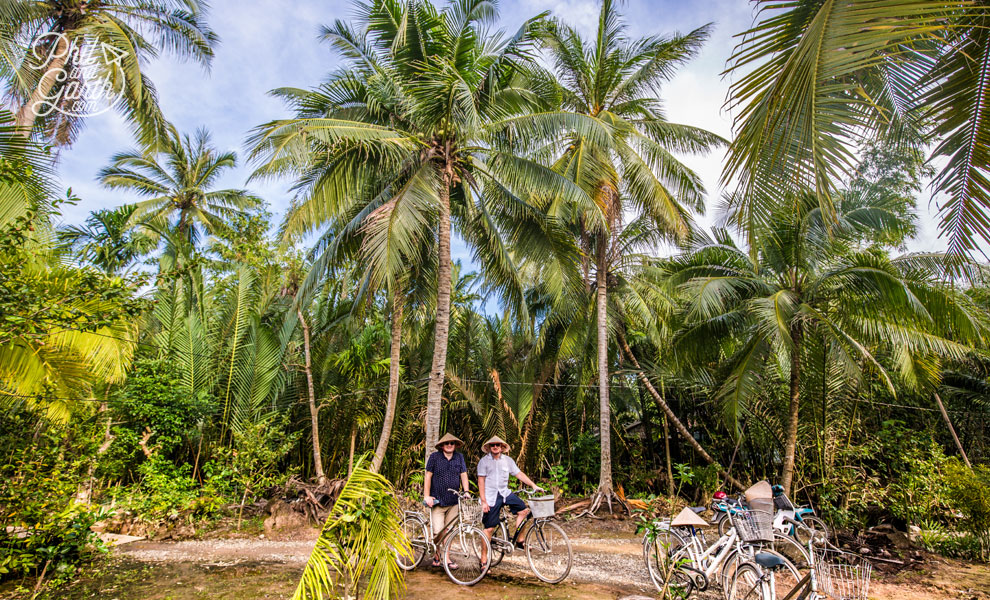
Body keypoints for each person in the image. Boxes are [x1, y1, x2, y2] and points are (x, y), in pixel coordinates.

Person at [476, 435, 541, 565]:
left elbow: (519, 474)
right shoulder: (483, 462)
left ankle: (520, 540)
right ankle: (483, 559)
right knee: (489, 529)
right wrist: (483, 501)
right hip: (490, 497)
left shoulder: (508, 461)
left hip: (505, 493)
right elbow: (481, 481)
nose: (495, 447)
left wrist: (533, 485)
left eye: (498, 445)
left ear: (502, 447)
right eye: (493, 445)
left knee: (523, 510)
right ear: (489, 448)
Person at [424, 432, 470, 568]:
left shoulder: (459, 457)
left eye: (452, 443)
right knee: (438, 531)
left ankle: (446, 558)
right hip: (437, 501)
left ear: (455, 445)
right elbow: (428, 476)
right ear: (442, 446)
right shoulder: (434, 457)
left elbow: (464, 475)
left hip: (454, 501)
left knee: (449, 531)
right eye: (446, 443)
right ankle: (437, 554)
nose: (449, 445)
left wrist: (466, 492)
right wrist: (426, 496)